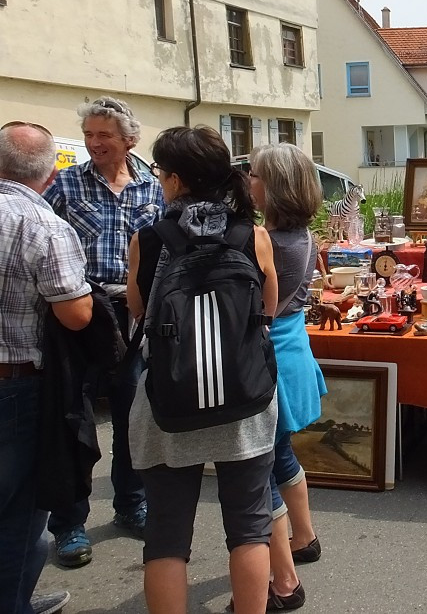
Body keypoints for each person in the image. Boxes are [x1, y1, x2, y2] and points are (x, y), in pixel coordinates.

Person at [126, 126, 278, 614]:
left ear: (173, 181)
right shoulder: (252, 236)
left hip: (170, 400)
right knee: (249, 527)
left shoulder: (148, 240)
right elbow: (266, 313)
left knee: (167, 535)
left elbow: (138, 311)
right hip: (245, 397)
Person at [42, 96, 163, 568]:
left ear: (129, 140)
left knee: (133, 414)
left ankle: (131, 504)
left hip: (132, 314)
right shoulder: (66, 186)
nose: (93, 144)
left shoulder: (151, 188)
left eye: (103, 136)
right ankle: (69, 523)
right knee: (74, 418)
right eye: (89, 135)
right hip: (81, 312)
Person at [0, 122, 94, 614]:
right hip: (14, 384)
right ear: (49, 175)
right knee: (18, 512)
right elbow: (75, 313)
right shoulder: (43, 225)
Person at [248, 143, 329, 605]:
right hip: (290, 349)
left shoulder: (268, 241)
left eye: (254, 174)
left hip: (269, 359)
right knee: (279, 454)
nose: (248, 182)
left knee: (258, 467)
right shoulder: (298, 235)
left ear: (274, 187)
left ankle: (283, 576)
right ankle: (304, 536)